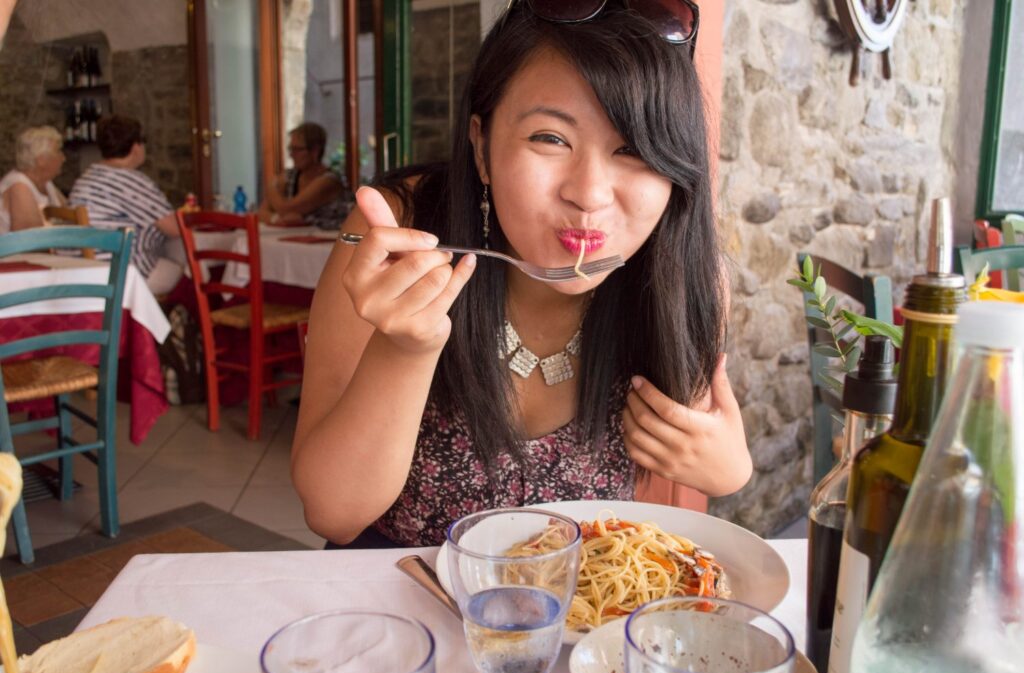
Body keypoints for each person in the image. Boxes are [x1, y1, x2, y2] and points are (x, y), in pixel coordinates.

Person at [292, 0, 752, 549]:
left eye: (633, 150)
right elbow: (332, 514)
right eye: (550, 139)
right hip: (397, 606)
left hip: (579, 616)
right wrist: (404, 349)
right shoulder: (401, 235)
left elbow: (668, 500)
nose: (589, 194)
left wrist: (728, 470)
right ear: (482, 147)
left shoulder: (679, 283)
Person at [69, 115, 183, 295]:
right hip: (122, 273)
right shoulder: (131, 181)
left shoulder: (86, 178)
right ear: (136, 148)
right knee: (186, 266)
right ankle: (184, 319)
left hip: (85, 270)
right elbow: (175, 228)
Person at [258, 122, 353, 230]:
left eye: (297, 149)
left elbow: (288, 209)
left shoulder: (329, 181)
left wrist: (271, 187)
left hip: (328, 242)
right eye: (290, 149)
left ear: (315, 151)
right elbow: (262, 211)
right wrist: (277, 218)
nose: (291, 154)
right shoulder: (290, 176)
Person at [0, 126, 66, 234]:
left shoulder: (47, 183)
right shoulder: (19, 186)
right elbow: (28, 241)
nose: (63, 158)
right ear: (41, 159)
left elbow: (70, 216)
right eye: (58, 152)